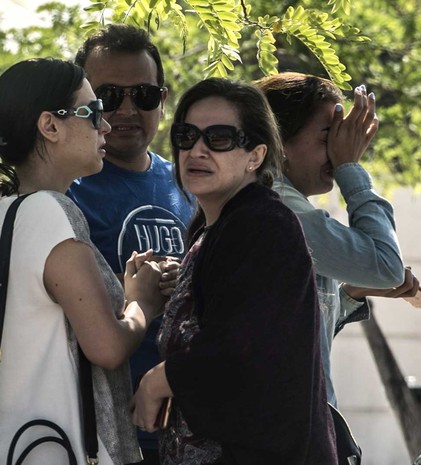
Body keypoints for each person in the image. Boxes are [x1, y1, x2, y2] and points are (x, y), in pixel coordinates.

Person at [131, 78, 337, 464]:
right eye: (186, 136)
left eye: (220, 138)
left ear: (255, 155)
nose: (198, 150)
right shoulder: (215, 229)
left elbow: (241, 351)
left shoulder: (262, 224)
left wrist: (157, 380)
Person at [0, 58, 164, 464]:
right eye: (93, 112)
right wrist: (141, 301)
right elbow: (107, 347)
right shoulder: (52, 212)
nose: (105, 125)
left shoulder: (7, 211)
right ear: (49, 126)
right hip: (65, 447)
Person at [68, 25, 194, 463]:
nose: (125, 110)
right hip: (103, 437)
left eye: (142, 95)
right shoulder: (63, 193)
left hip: (194, 431)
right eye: (107, 95)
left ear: (161, 100)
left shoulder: (191, 181)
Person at [256, 72, 418, 405]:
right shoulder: (280, 209)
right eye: (329, 135)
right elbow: (387, 266)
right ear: (279, 142)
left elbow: (301, 335)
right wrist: (350, 168)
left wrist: (351, 294)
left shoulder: (278, 202)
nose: (337, 148)